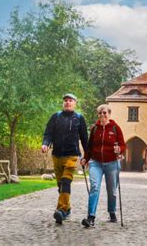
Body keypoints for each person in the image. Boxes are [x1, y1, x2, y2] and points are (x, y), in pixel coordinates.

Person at [42, 93, 88, 224]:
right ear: (63, 103)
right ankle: (67, 208)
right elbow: (48, 133)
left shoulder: (79, 118)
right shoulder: (55, 117)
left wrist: (87, 156)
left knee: (66, 181)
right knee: (60, 185)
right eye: (66, 101)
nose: (68, 102)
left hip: (71, 156)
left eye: (70, 100)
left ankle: (61, 210)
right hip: (56, 155)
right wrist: (45, 143)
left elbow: (85, 139)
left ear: (75, 103)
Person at [80, 104, 126, 228]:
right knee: (94, 187)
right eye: (100, 113)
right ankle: (91, 218)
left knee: (111, 191)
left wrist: (119, 149)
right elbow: (90, 147)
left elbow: (123, 145)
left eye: (104, 113)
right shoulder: (95, 129)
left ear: (109, 114)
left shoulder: (115, 128)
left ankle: (112, 212)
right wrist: (85, 158)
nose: (102, 115)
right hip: (96, 163)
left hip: (112, 163)